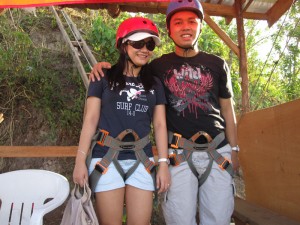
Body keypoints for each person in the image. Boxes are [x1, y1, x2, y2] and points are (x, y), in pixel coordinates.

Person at [90, 0, 240, 224]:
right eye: (178, 22)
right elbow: (130, 67)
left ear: (201, 25)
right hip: (178, 154)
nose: (186, 27)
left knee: (218, 219)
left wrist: (235, 148)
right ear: (169, 30)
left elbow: (227, 109)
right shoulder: (157, 67)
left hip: (218, 150)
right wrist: (104, 67)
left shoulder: (217, 64)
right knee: (178, 219)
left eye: (192, 21)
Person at [73, 17, 171, 225]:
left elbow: (160, 125)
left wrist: (163, 164)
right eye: (138, 43)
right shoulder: (102, 78)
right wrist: (80, 161)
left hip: (141, 159)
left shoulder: (154, 83)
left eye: (150, 44)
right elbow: (90, 121)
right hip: (105, 158)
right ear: (123, 45)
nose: (145, 49)